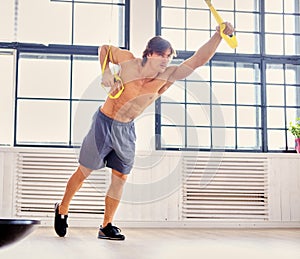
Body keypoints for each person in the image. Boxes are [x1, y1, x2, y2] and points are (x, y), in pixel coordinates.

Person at [54, 22, 235, 240]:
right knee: (85, 171)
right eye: (161, 55)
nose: (166, 60)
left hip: (126, 129)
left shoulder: (166, 77)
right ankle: (62, 209)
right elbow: (104, 49)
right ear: (149, 53)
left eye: (169, 56)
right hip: (104, 122)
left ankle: (106, 225)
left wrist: (218, 36)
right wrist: (105, 73)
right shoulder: (129, 62)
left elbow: (197, 60)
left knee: (120, 177)